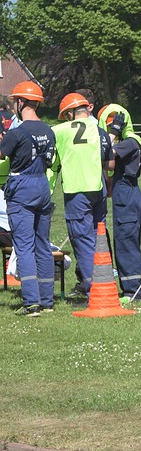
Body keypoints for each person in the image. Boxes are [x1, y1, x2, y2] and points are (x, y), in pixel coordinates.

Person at [0, 81, 56, 316]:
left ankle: (32, 302)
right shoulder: (49, 130)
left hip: (22, 188)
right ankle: (47, 300)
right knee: (42, 244)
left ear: (21, 102)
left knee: (24, 246)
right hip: (42, 186)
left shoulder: (17, 132)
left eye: (15, 101)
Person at [52, 92, 112, 296]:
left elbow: (52, 162)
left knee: (82, 240)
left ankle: (93, 290)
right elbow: (108, 162)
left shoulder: (59, 130)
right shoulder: (100, 130)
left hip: (77, 190)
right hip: (98, 188)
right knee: (98, 238)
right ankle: (105, 284)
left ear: (69, 113)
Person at [99, 104, 141, 301]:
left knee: (127, 241)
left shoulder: (130, 142)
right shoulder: (128, 142)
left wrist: (112, 133)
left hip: (127, 193)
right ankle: (129, 288)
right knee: (122, 240)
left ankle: (132, 290)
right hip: (122, 192)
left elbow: (106, 153)